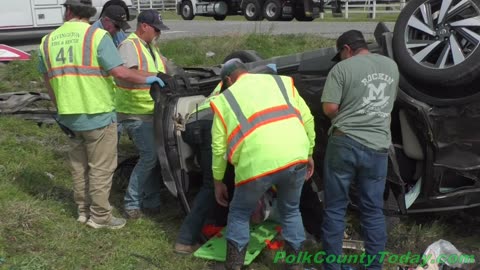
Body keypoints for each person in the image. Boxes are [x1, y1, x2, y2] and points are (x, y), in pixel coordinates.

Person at [38, 0, 165, 230]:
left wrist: (59, 109)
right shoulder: (96, 37)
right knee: (101, 168)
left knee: (79, 166)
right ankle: (100, 217)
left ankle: (83, 211)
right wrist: (150, 78)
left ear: (68, 11)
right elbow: (118, 71)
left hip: (68, 115)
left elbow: (47, 79)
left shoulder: (47, 40)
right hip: (97, 113)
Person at [211, 60, 316, 270]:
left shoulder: (225, 99)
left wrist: (218, 181)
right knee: (291, 210)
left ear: (228, 80)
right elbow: (307, 119)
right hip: (295, 156)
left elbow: (218, 148)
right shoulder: (281, 84)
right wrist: (309, 152)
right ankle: (295, 265)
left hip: (256, 164)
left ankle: (234, 265)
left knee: (239, 213)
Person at [321, 29, 399, 270]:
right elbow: (389, 102)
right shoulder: (391, 66)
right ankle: (374, 267)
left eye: (341, 54)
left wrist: (349, 111)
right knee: (373, 210)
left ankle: (333, 266)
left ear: (346, 49)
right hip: (377, 147)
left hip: (345, 142)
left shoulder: (342, 69)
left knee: (335, 208)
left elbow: (329, 109)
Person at [115, 9, 170, 219]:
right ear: (144, 26)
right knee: (149, 157)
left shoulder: (150, 46)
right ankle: (131, 203)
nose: (158, 34)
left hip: (151, 110)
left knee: (156, 156)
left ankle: (152, 200)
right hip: (134, 112)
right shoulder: (130, 45)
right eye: (156, 29)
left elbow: (164, 68)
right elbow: (127, 75)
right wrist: (155, 76)